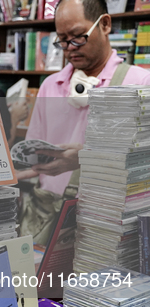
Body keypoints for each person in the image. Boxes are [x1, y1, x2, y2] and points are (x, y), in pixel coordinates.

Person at [18, 0, 150, 242]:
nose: (70, 48)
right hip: (46, 214)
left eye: (78, 37)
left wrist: (85, 158)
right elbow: (32, 151)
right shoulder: (50, 85)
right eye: (62, 40)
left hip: (109, 220)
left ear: (105, 24)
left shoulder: (141, 84)